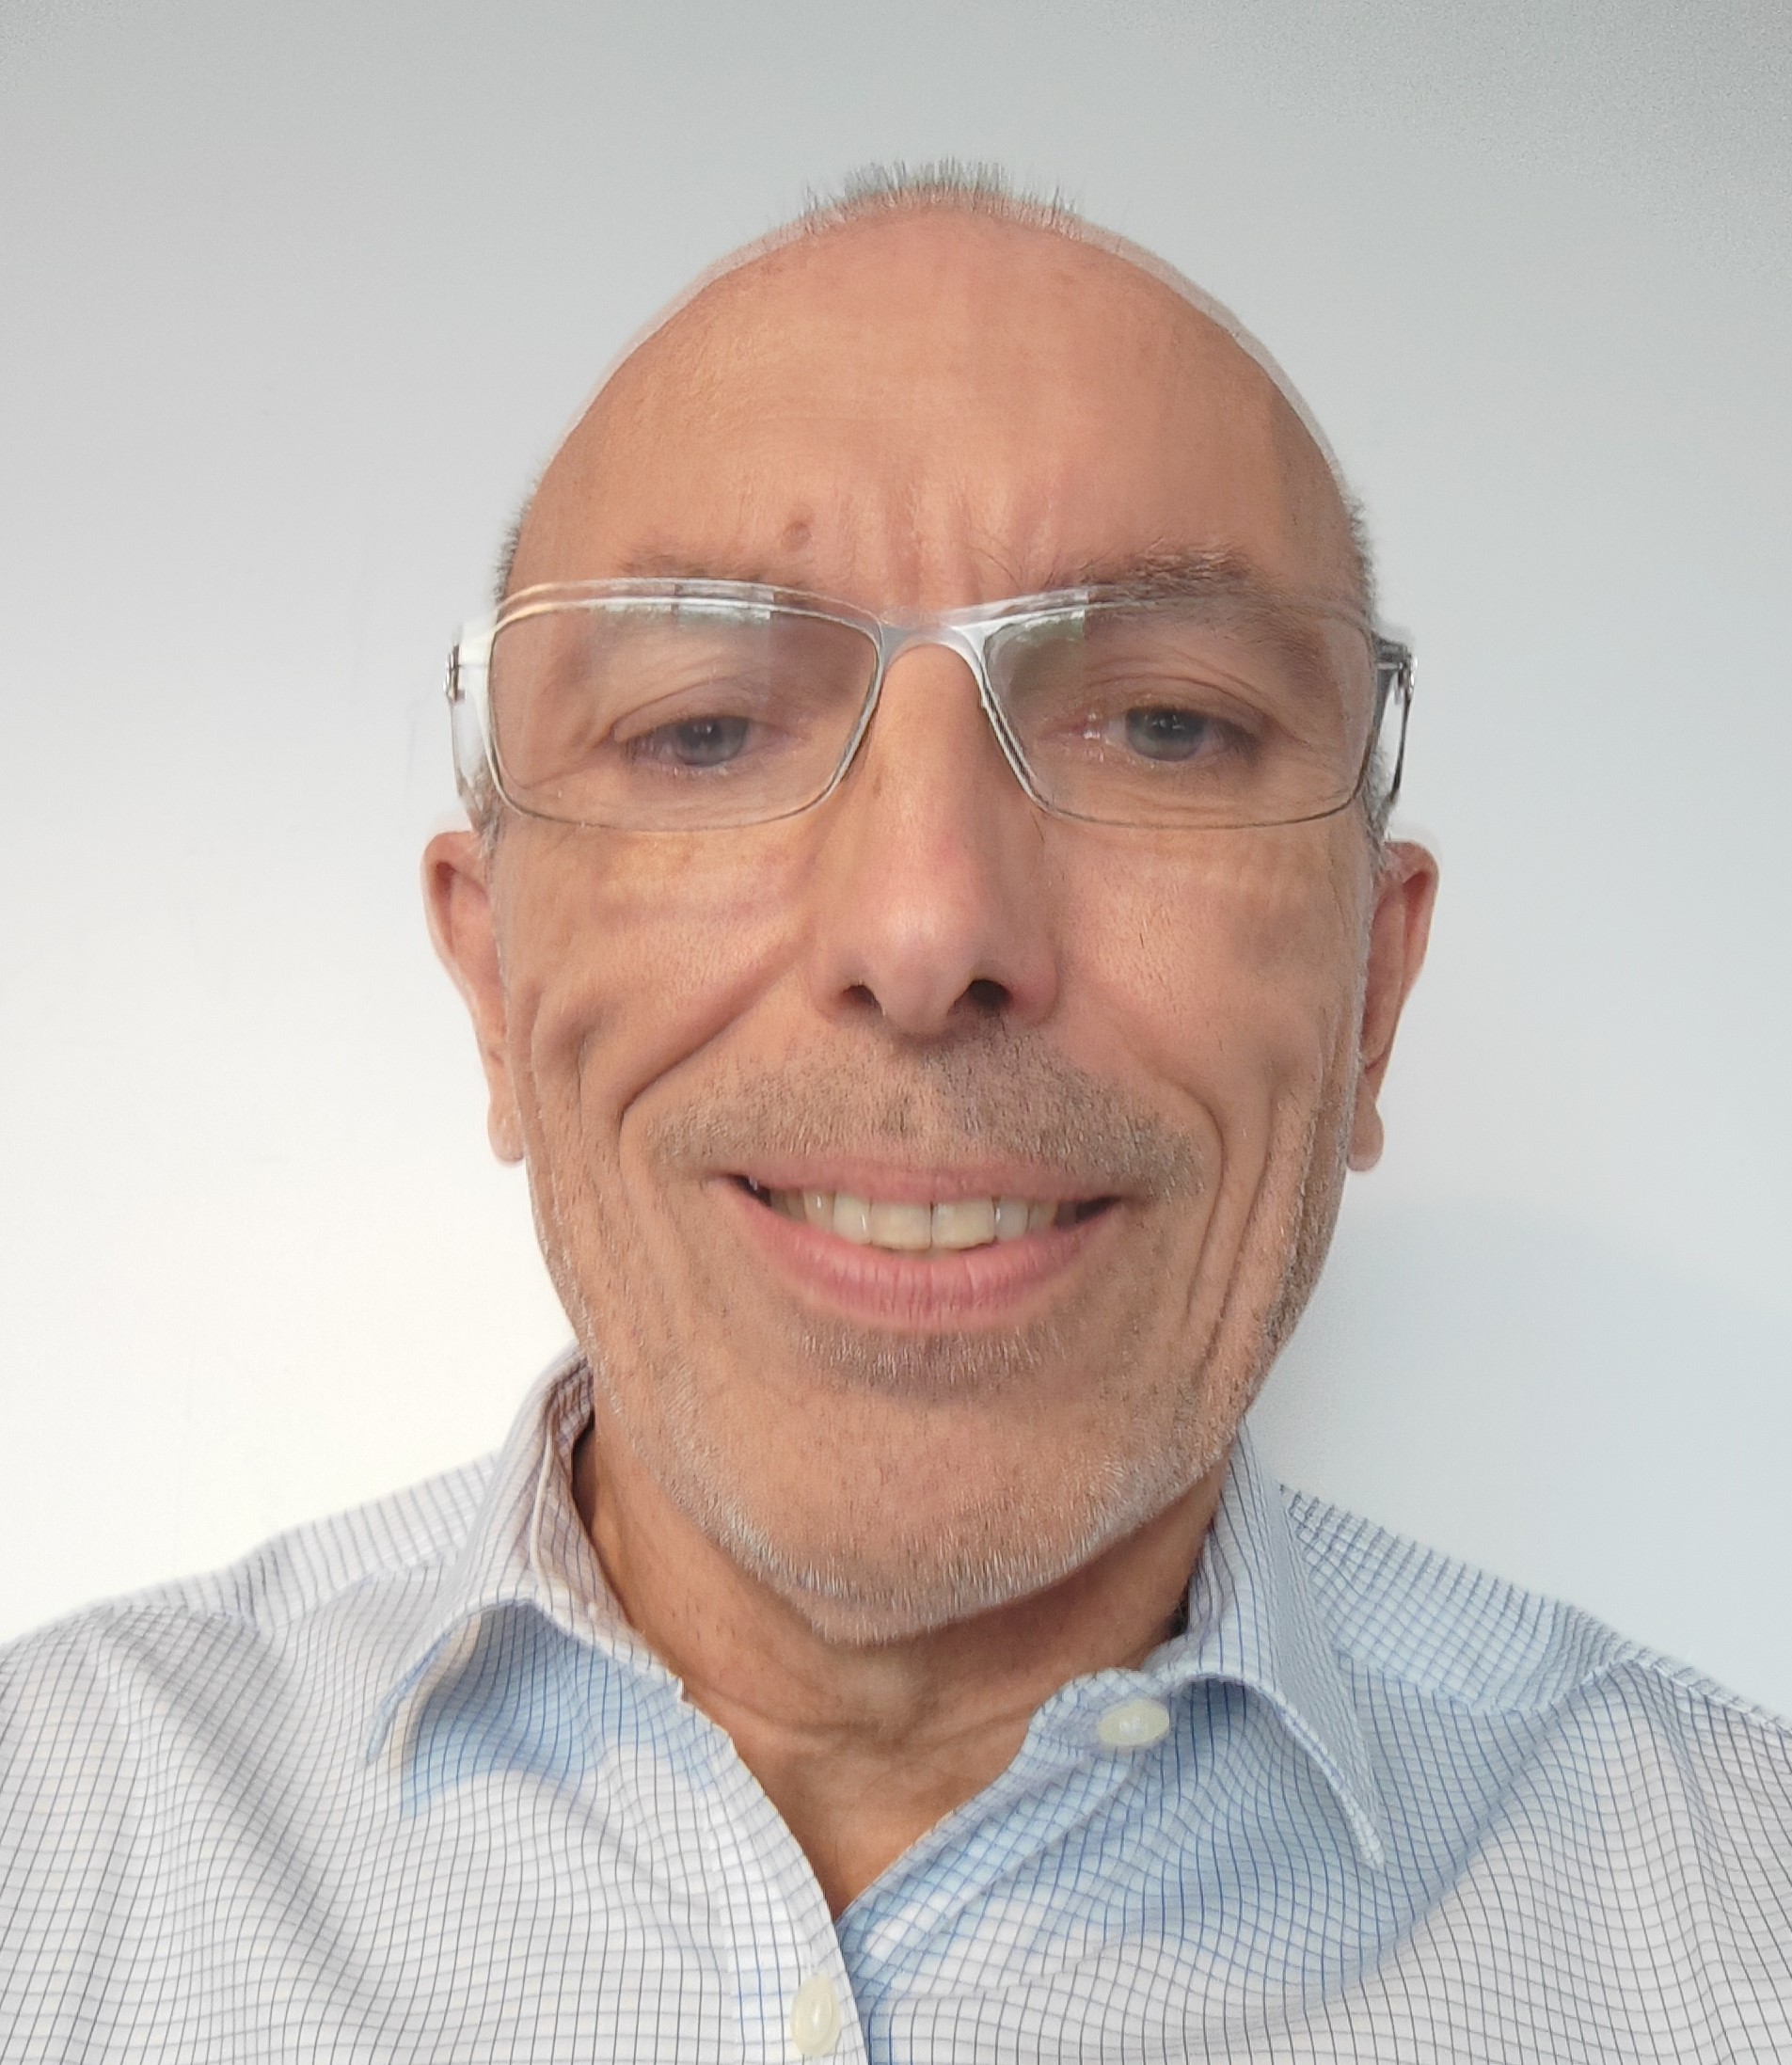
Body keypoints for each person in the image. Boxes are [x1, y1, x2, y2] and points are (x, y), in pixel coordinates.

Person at [3, 166, 1787, 2063]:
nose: (927, 933)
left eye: (1163, 726)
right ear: (495, 984)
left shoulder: (1735, 1939)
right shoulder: (49, 1858)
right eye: (704, 731)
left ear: (1369, 996)